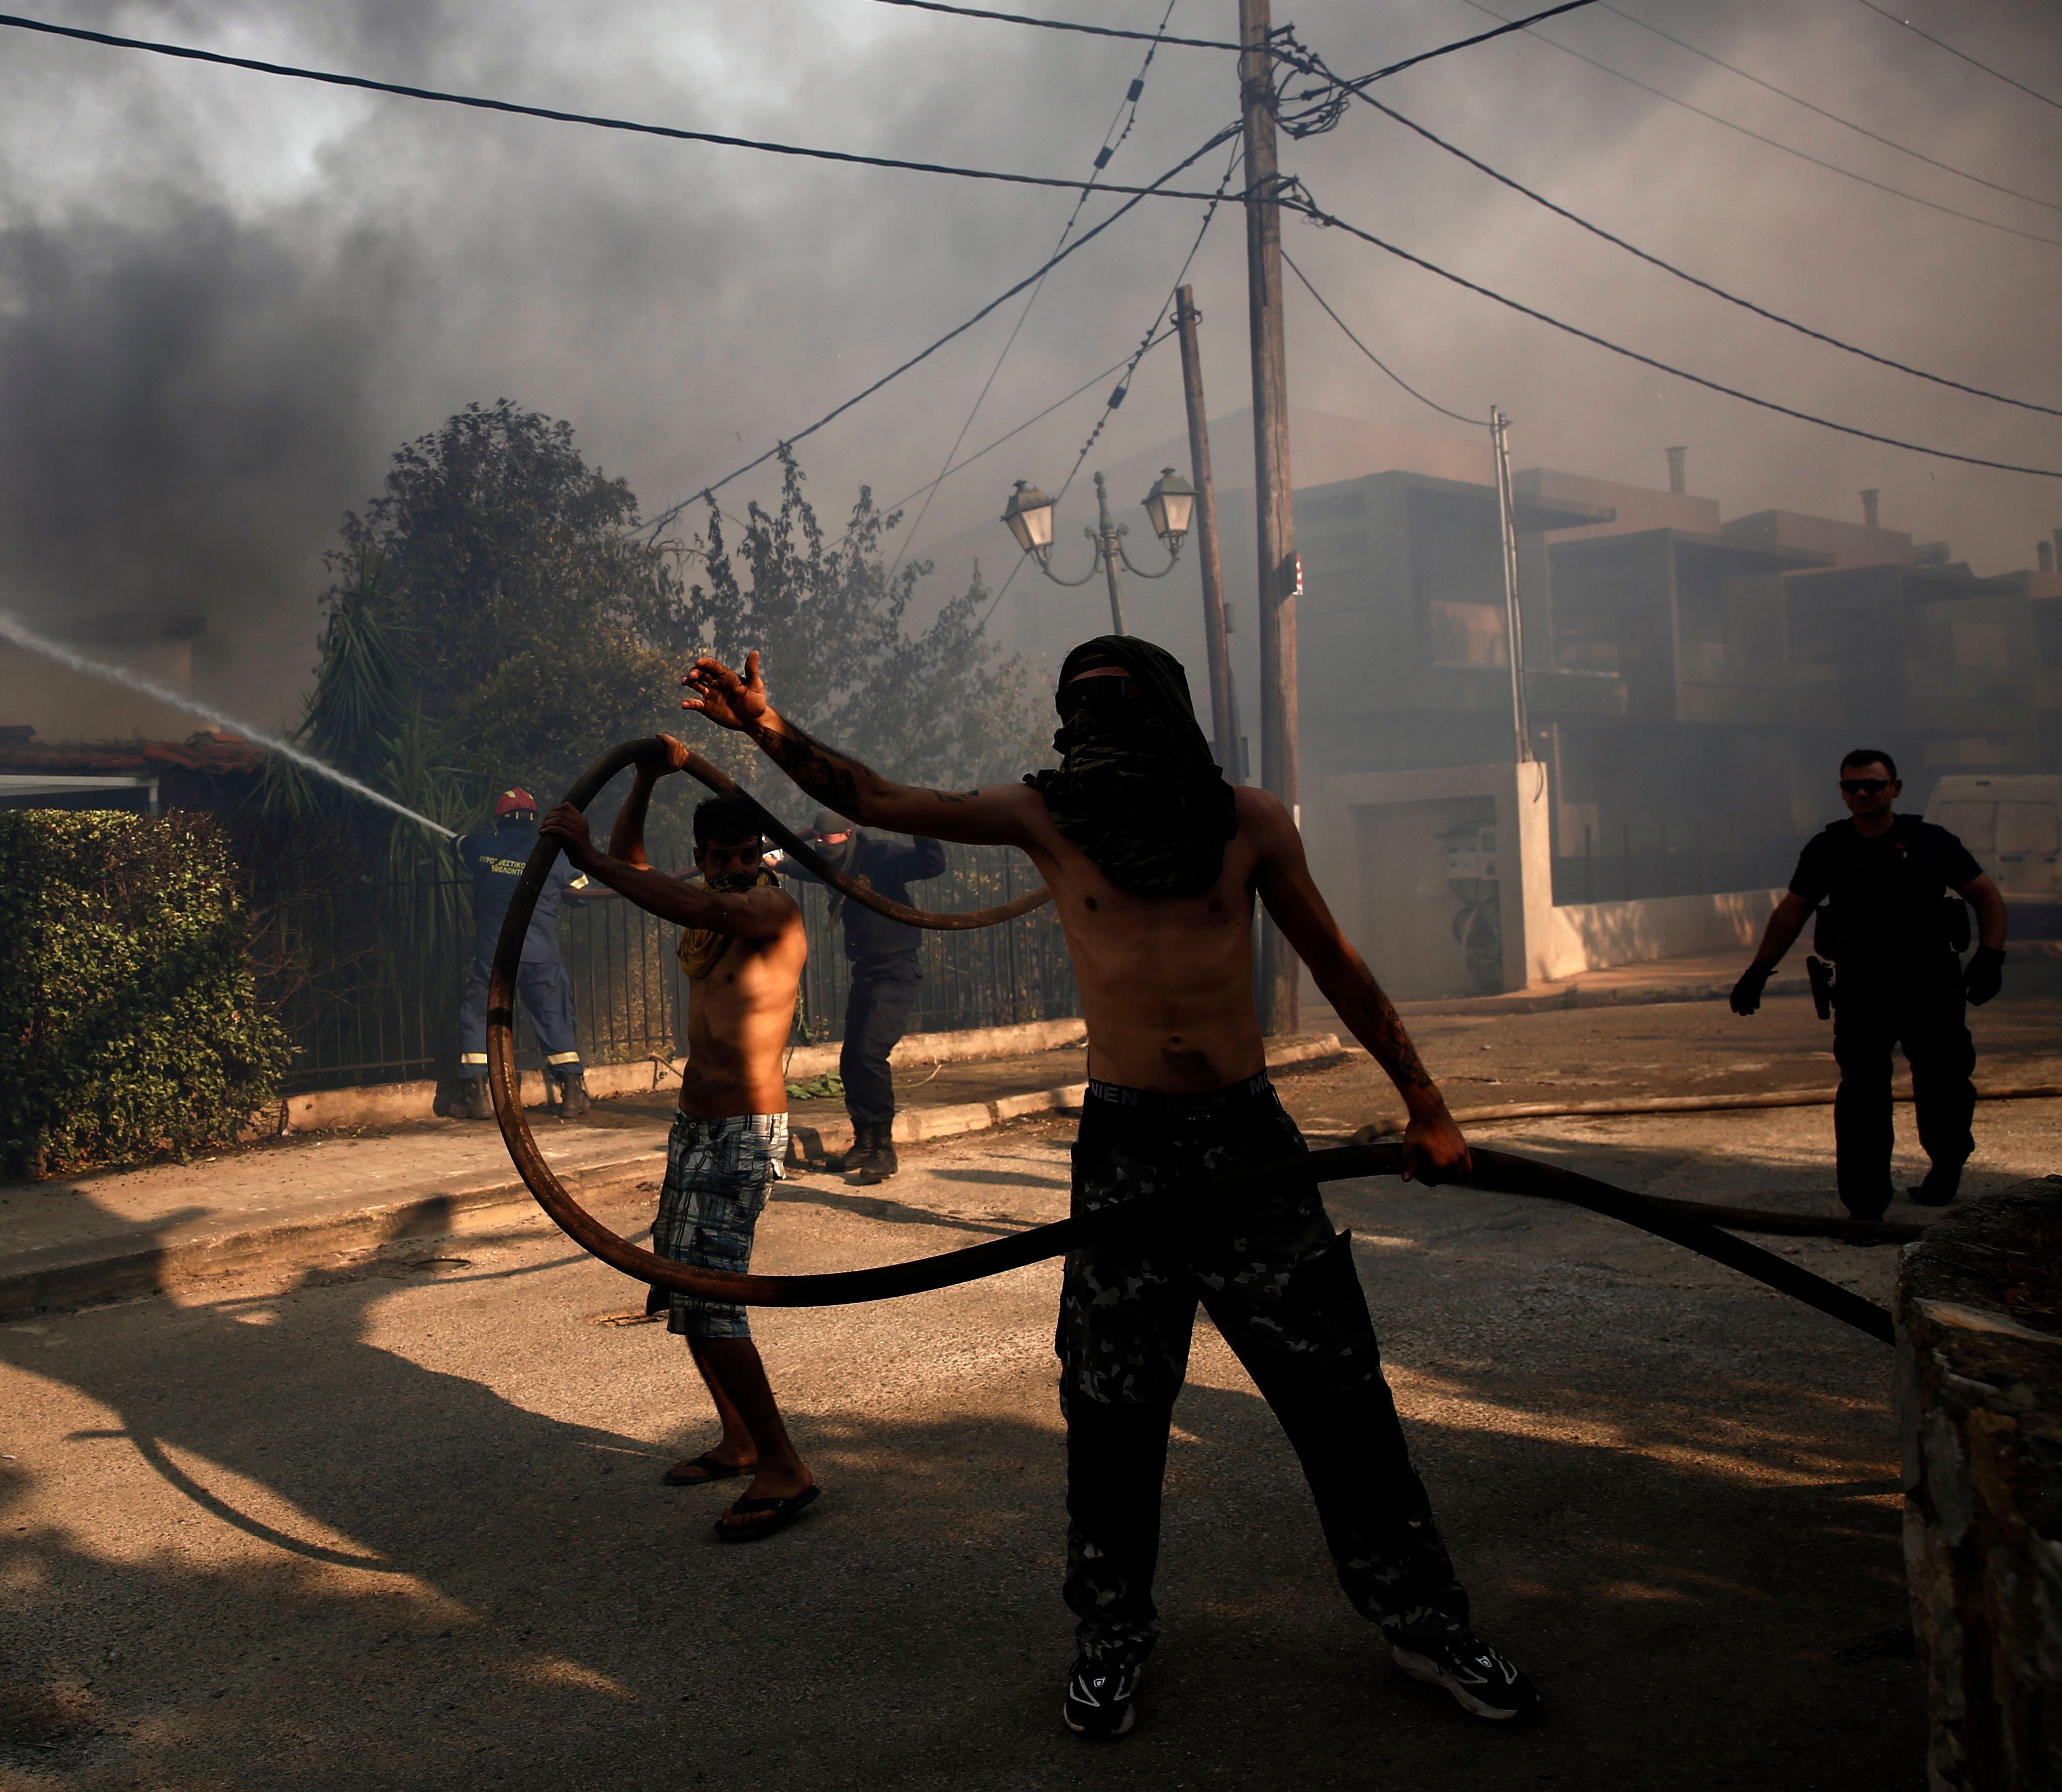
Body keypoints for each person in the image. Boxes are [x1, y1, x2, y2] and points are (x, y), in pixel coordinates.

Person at [680, 637, 1535, 1734]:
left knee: (1341, 1402)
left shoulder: (1251, 822)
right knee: (1112, 1411)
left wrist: (1426, 1103)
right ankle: (1112, 1640)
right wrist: (767, 729)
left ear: (1167, 715)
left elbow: (1336, 962)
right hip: (1126, 1152)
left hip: (1249, 1148)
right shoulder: (1048, 818)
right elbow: (883, 794)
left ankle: (1429, 1625)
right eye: (1078, 710)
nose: (1096, 729)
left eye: (1117, 706)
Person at [539, 740, 821, 1543]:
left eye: (744, 856)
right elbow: (638, 866)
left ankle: (785, 1467)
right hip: (695, 1126)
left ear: (761, 857)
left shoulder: (768, 910)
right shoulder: (702, 907)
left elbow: (684, 899)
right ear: (700, 856)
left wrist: (589, 854)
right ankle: (738, 1442)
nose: (732, 869)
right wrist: (643, 780)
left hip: (742, 1130)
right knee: (681, 1287)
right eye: (717, 858)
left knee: (711, 1292)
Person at [1728, 747, 2006, 1217]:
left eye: (1873, 785)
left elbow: (1986, 895)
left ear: (1894, 789)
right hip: (1863, 988)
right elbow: (1793, 910)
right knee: (1862, 1093)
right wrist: (1758, 971)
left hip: (1931, 985)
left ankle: (1946, 1165)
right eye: (1851, 786)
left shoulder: (1931, 842)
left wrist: (1991, 957)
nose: (1861, 794)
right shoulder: (1829, 848)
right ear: (1842, 792)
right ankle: (1865, 1197)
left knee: (1943, 1086)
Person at [778, 808, 946, 1184]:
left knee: (870, 1053)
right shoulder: (833, 865)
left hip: (898, 971)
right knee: (851, 1058)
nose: (822, 845)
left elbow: (931, 864)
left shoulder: (880, 857)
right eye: (817, 840)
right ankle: (864, 1141)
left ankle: (884, 1150)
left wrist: (919, 823)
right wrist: (781, 864)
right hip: (867, 973)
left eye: (829, 839)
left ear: (849, 834)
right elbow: (813, 869)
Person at [438, 788, 596, 1122]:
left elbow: (457, 844)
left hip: (495, 958)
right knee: (554, 1016)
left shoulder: (482, 846)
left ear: (499, 820)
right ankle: (572, 1094)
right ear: (534, 821)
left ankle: (479, 1096)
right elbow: (582, 894)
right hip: (542, 957)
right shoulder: (553, 855)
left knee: (480, 1016)